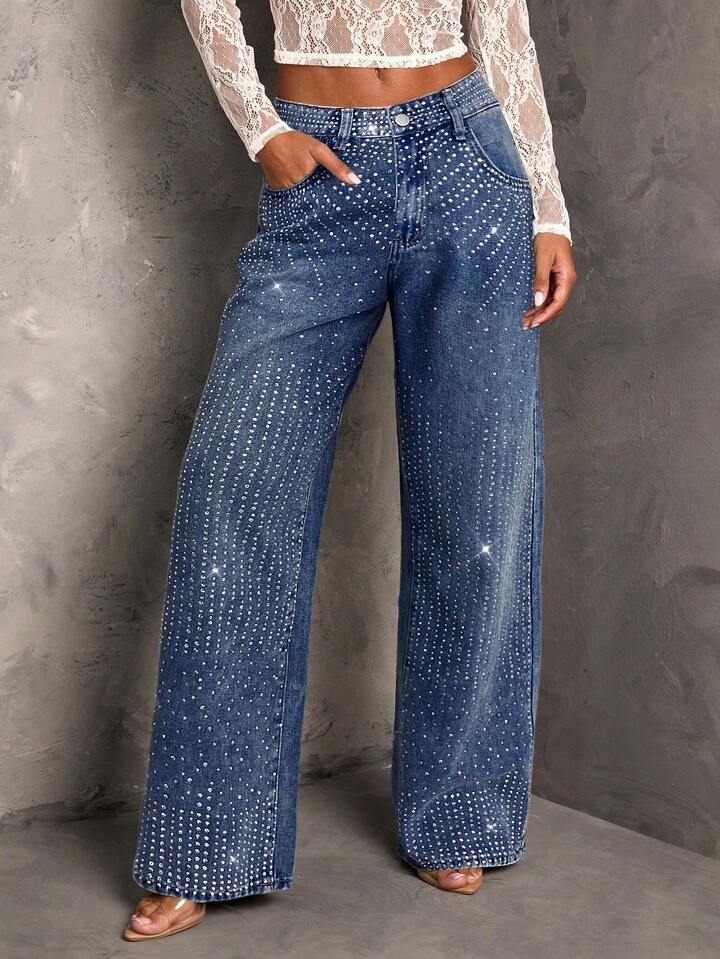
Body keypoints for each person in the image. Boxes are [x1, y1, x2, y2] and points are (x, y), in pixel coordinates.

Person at [123, 0, 576, 941]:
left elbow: (502, 25)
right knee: (233, 494)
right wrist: (262, 130)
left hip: (469, 162)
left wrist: (546, 204)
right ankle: (206, 846)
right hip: (317, 172)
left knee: (477, 508)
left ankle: (458, 815)